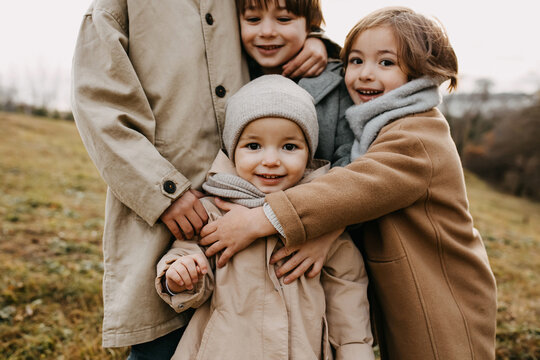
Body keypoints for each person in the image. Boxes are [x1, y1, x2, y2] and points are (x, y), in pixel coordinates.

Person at [199, 7, 498, 359]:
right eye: (355, 61)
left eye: (386, 63)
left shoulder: (418, 132)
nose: (364, 75)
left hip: (442, 293)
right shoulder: (380, 124)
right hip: (407, 287)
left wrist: (257, 219)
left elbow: (359, 186)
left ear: (422, 70)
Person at [70, 0, 330, 358]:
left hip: (252, 225)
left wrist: (316, 43)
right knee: (161, 341)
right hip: (161, 225)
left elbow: (275, 25)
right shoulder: (122, 6)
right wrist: (164, 193)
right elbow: (101, 109)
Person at [156, 75, 374, 359]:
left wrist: (354, 348)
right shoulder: (216, 209)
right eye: (254, 146)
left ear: (309, 153)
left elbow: (347, 290)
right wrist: (180, 275)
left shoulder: (320, 220)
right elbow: (192, 262)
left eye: (289, 147)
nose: (271, 160)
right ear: (233, 151)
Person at [237, 0, 354, 167]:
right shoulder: (229, 79)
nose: (267, 32)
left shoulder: (339, 82)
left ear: (310, 24)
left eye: (284, 19)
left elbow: (348, 160)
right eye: (254, 19)